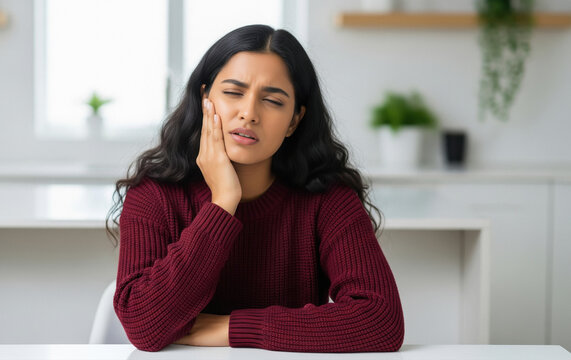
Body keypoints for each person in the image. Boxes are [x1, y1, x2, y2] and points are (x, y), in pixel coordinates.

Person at [105, 24, 404, 353]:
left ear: (294, 120)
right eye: (233, 93)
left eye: (273, 101)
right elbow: (144, 324)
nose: (248, 113)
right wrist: (222, 204)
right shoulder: (155, 193)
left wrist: (232, 327)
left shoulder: (328, 198)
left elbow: (381, 320)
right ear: (205, 99)